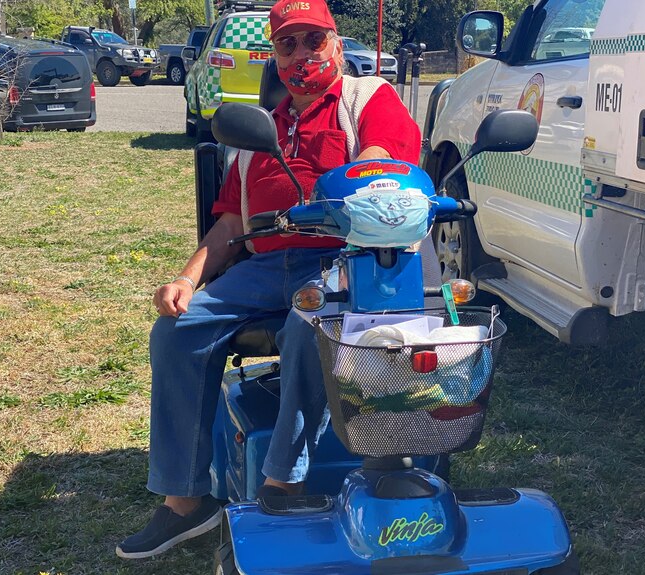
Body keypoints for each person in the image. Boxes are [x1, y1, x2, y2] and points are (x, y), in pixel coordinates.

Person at [116, 0, 422, 560]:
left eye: (313, 40)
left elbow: (383, 161)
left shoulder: (368, 99)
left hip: (340, 260)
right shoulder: (261, 129)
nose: (301, 54)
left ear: (335, 42)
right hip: (259, 266)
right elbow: (231, 221)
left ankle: (282, 483)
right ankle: (187, 502)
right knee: (176, 332)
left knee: (311, 325)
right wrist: (185, 279)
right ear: (273, 56)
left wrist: (352, 183)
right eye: (287, 44)